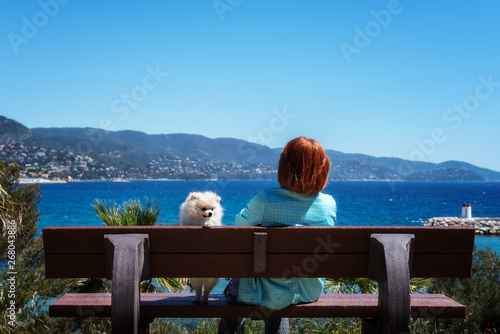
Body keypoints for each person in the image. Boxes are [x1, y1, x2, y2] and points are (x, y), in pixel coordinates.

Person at [218, 136, 337, 334]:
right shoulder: (328, 205)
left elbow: (239, 224)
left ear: (284, 168)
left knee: (250, 288)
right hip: (308, 291)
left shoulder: (266, 199)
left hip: (260, 292)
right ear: (323, 169)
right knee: (280, 289)